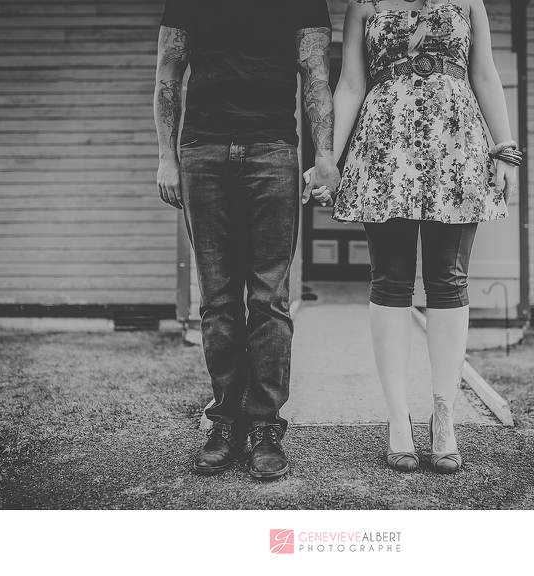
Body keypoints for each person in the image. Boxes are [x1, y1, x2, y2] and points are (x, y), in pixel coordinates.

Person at [318, 0, 519, 473]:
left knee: (449, 280)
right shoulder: (364, 5)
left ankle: (443, 416)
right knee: (391, 282)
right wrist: (329, 159)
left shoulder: (468, 0)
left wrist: (505, 150)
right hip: (384, 146)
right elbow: (351, 84)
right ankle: (397, 417)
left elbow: (484, 74)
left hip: (456, 145)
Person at [153, 0, 340, 480]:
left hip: (272, 149)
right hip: (202, 150)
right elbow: (169, 69)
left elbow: (315, 73)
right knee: (217, 300)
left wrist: (325, 155)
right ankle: (225, 421)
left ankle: (264, 426)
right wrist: (166, 157)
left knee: (268, 299)